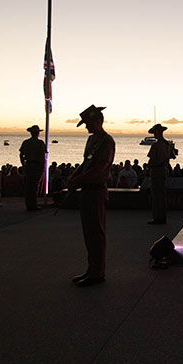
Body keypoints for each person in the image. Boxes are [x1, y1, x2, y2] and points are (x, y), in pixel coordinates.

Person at [66, 105, 115, 288]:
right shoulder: (92, 140)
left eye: (88, 123)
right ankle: (92, 269)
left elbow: (100, 168)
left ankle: (97, 272)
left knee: (96, 234)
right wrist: (74, 176)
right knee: (89, 234)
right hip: (87, 191)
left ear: (98, 121)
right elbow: (86, 162)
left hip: (96, 190)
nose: (86, 127)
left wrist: (78, 179)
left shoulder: (106, 141)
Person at [146, 123, 177, 225]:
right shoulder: (167, 144)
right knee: (162, 195)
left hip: (156, 170)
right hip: (164, 170)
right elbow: (172, 157)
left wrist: (148, 168)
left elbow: (151, 160)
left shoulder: (156, 145)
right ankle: (162, 217)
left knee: (156, 195)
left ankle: (157, 217)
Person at [19, 125, 47, 211]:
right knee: (34, 186)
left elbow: (21, 154)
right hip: (36, 166)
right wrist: (42, 167)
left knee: (29, 186)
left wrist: (23, 164)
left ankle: (29, 204)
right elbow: (42, 156)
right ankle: (33, 205)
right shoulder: (40, 143)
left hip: (28, 165)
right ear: (38, 133)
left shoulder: (26, 142)